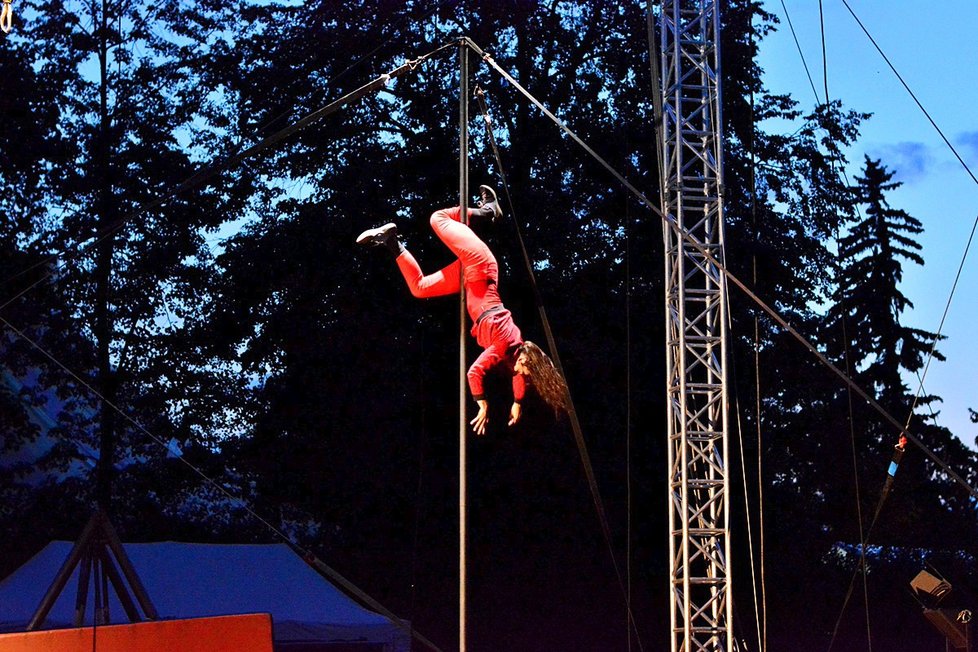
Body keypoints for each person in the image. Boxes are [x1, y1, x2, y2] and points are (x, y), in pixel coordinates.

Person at [356, 185, 567, 435]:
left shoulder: (516, 355)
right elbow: (474, 372)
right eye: (524, 369)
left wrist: (517, 403)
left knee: (420, 288)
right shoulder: (503, 345)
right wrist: (482, 404)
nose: (520, 373)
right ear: (524, 358)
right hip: (480, 265)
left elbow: (520, 378)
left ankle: (390, 241)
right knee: (438, 218)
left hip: (469, 278)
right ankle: (488, 212)